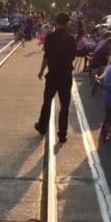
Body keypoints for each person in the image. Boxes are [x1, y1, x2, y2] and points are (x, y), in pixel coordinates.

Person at [34, 12, 76, 144]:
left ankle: (42, 126)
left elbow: (46, 56)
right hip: (65, 75)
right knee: (64, 105)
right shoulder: (71, 39)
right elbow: (73, 57)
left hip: (52, 74)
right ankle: (62, 133)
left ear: (56, 22)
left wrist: (41, 71)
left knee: (47, 101)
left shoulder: (50, 37)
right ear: (67, 23)